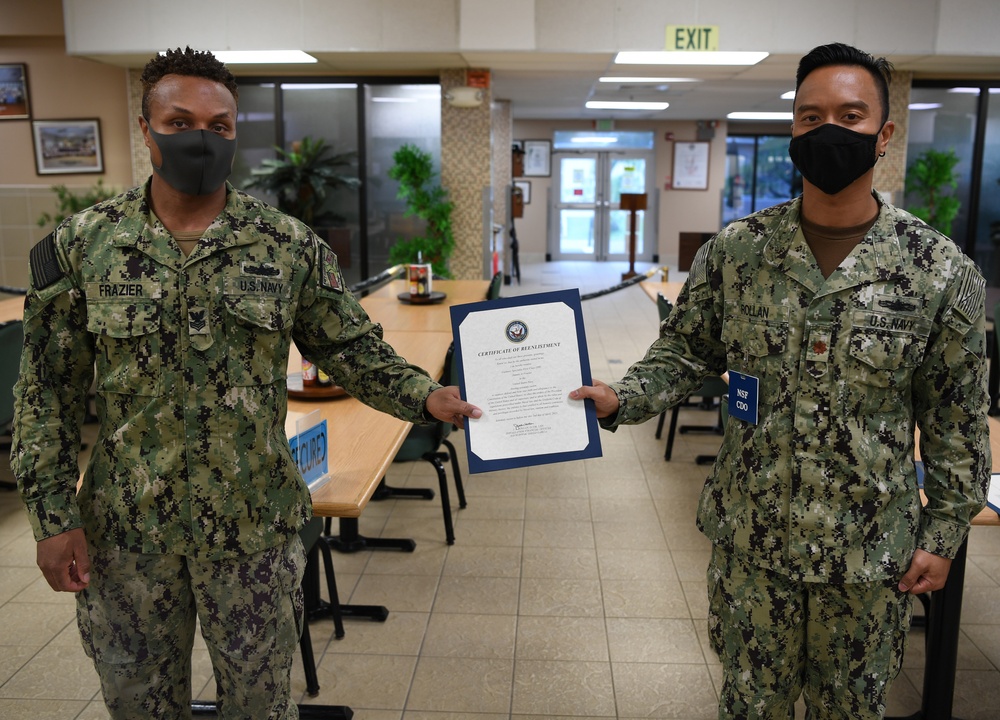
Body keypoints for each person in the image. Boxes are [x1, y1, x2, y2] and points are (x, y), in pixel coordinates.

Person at [11, 47, 481, 719]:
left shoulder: (286, 246)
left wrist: (424, 395)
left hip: (252, 531)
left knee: (260, 707)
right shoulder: (84, 246)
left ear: (235, 132)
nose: (201, 138)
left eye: (220, 125)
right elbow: (44, 396)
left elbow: (350, 348)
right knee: (140, 707)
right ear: (146, 129)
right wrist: (53, 519)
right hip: (128, 535)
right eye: (179, 121)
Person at [572, 42, 990, 719]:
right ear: (793, 131)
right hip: (752, 547)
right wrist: (623, 396)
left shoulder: (938, 271)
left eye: (851, 116)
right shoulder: (737, 253)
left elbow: (955, 423)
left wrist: (941, 538)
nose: (829, 131)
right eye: (809, 116)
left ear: (883, 135)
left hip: (866, 559)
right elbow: (684, 351)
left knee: (851, 711)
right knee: (748, 706)